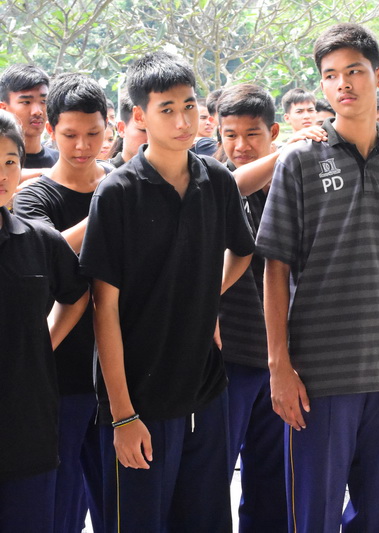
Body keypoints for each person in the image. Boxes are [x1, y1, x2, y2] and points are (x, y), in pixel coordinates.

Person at [256, 24, 379, 532]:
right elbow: (275, 269)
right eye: (330, 75)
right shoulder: (299, 159)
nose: (343, 84)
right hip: (317, 378)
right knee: (314, 518)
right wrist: (279, 365)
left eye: (354, 71)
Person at [79, 51, 255, 532]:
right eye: (167, 109)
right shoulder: (117, 192)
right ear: (140, 115)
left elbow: (243, 251)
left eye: (190, 106)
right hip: (139, 399)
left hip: (206, 390)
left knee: (205, 519)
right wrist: (121, 415)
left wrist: (206, 297)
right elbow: (103, 308)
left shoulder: (217, 181)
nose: (183, 121)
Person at [12, 72, 112, 533]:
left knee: (118, 505)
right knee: (61, 507)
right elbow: (47, 256)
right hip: (62, 378)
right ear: (51, 131)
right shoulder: (35, 197)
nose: (83, 146)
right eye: (70, 135)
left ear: (109, 128)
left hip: (120, 374)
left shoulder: (121, 185)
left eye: (93, 133)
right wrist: (108, 206)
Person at [0, 109, 90, 532]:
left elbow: (77, 295)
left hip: (28, 428)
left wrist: (44, 342)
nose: (2, 174)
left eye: (10, 161)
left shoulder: (39, 240)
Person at [214, 83, 288, 532]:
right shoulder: (211, 185)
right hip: (227, 357)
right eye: (230, 135)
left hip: (279, 359)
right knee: (212, 476)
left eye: (252, 134)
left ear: (273, 132)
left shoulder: (289, 188)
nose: (240, 145)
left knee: (272, 482)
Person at [0, 64, 59, 176]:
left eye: (44, 101)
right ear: (3, 108)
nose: (38, 111)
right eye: (26, 102)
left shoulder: (59, 161)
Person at [108, 93, 148, 168]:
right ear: (122, 128)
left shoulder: (166, 172)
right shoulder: (105, 172)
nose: (150, 139)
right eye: (143, 131)